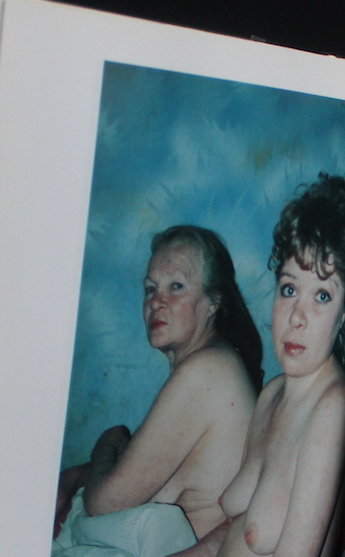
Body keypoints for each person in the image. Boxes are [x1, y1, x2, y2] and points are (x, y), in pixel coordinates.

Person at [40, 175, 345, 557]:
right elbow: (240, 526)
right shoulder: (275, 395)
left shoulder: (333, 409)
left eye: (322, 296)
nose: (297, 316)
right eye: (289, 289)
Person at [56, 225, 262, 540]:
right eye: (150, 288)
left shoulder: (204, 372)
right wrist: (75, 475)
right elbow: (137, 466)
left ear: (213, 301)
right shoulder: (211, 363)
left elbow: (102, 503)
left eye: (176, 286)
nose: (156, 302)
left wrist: (106, 443)